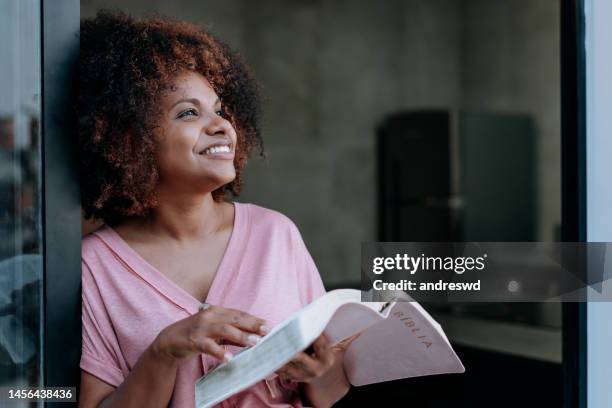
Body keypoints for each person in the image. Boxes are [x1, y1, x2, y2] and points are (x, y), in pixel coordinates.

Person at [77, 11, 350, 408]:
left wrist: (320, 373)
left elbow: (329, 394)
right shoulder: (96, 265)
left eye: (220, 110)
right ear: (129, 140)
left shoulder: (276, 234)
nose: (222, 125)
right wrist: (165, 351)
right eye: (189, 112)